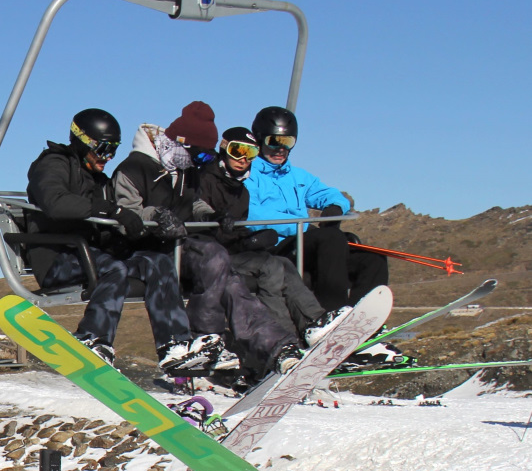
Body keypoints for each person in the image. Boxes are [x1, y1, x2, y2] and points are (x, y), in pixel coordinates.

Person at [115, 103, 303, 379]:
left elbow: (195, 204)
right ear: (182, 145)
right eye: (202, 154)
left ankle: (277, 347)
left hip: (182, 246)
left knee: (230, 280)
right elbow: (125, 212)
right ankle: (206, 337)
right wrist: (157, 216)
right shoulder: (135, 167)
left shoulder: (186, 167)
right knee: (214, 257)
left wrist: (213, 215)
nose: (205, 161)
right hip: (148, 252)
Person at [24, 108, 220, 373]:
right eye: (103, 149)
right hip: (58, 257)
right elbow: (56, 202)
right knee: (112, 268)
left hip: (90, 253)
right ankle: (93, 337)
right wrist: (111, 211)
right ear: (83, 141)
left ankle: (174, 345)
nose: (109, 157)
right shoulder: (53, 164)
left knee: (157, 262)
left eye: (114, 150)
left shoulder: (98, 179)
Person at [244, 106, 402, 368]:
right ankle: (330, 320)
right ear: (259, 140)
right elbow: (253, 214)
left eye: (288, 142)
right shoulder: (250, 174)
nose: (280, 149)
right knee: (329, 239)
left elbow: (331, 194)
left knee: (371, 259)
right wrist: (302, 225)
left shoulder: (297, 176)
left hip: (307, 240)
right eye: (274, 142)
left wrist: (333, 208)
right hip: (277, 246)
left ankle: (361, 331)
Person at [200, 127, 348, 345]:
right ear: (224, 149)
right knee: (271, 268)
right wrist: (219, 222)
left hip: (234, 249)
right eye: (237, 151)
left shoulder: (239, 186)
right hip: (211, 253)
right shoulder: (208, 179)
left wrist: (249, 241)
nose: (243, 159)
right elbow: (202, 215)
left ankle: (314, 323)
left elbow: (239, 225)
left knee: (282, 265)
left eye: (249, 153)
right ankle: (285, 338)